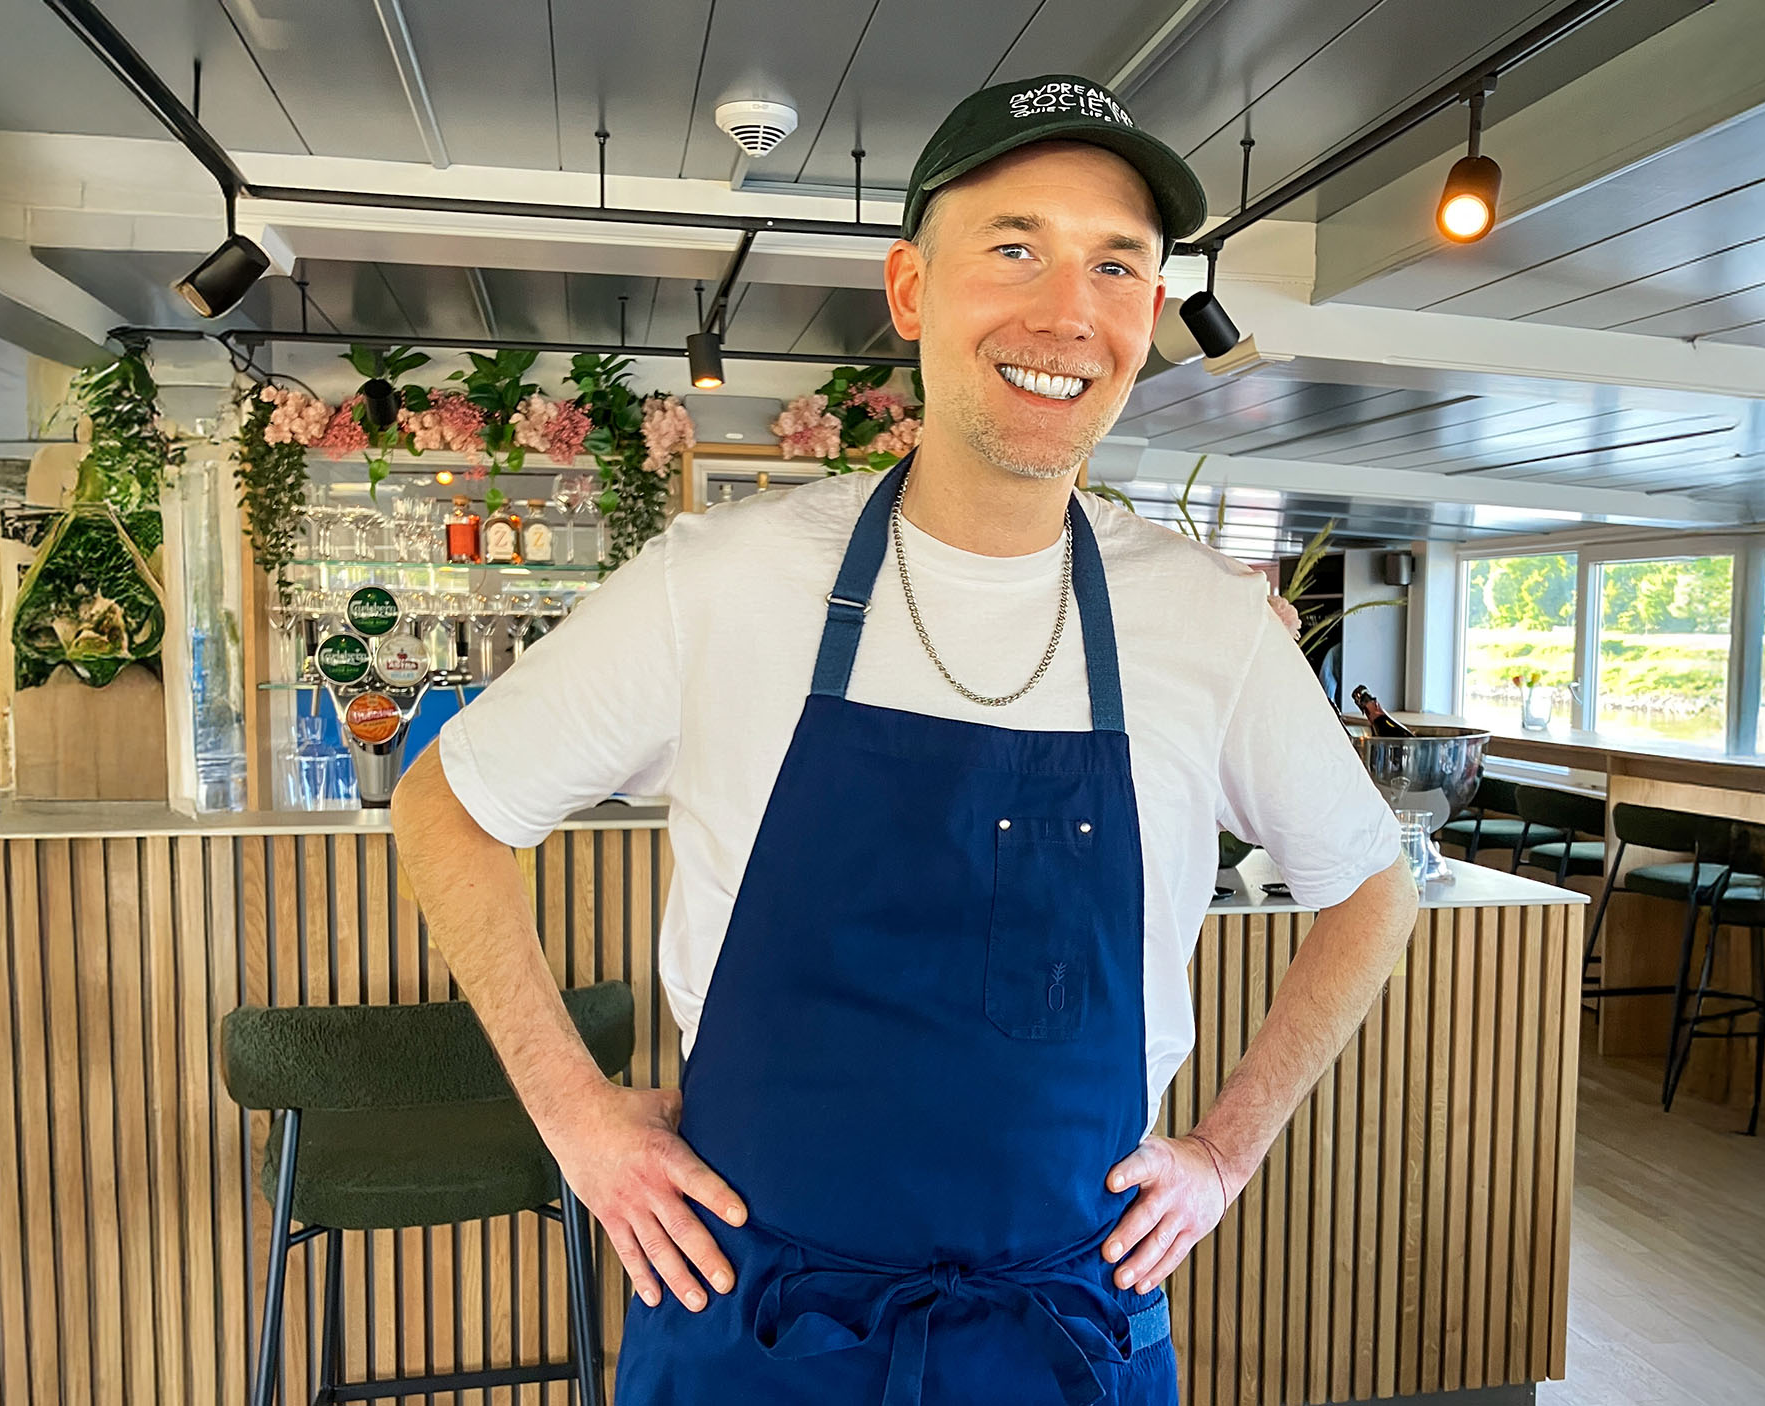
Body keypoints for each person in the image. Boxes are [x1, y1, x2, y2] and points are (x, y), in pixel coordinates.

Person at [391, 72, 1420, 1406]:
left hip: (1060, 1337)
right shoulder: (723, 583)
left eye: (1116, 264)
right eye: (1014, 247)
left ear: (1151, 311)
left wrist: (1224, 1151)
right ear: (911, 288)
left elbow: (1372, 885)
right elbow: (446, 807)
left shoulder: (1208, 626)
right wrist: (575, 1116)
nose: (1068, 311)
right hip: (755, 1329)